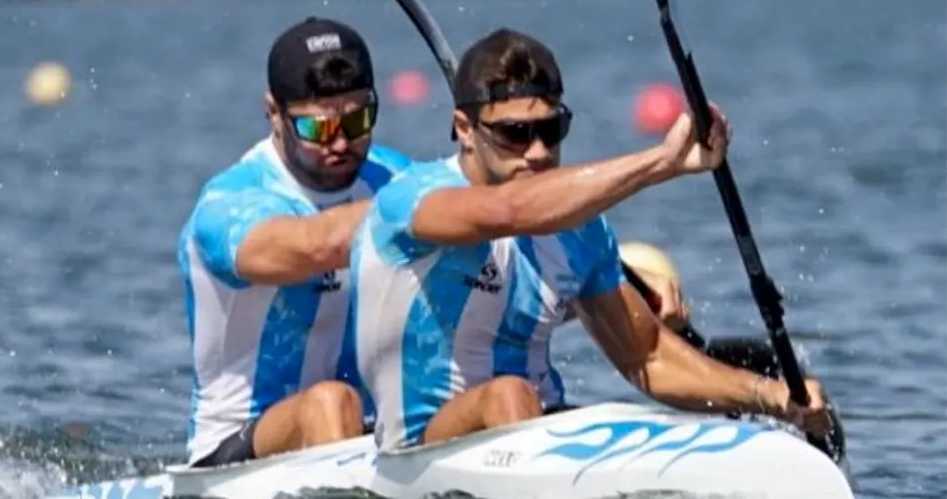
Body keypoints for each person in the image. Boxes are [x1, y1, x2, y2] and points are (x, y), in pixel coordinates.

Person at [350, 27, 832, 451]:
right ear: (464, 129)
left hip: (537, 429)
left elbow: (649, 357)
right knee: (508, 393)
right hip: (417, 453)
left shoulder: (579, 229)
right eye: (515, 134)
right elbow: (512, 212)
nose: (537, 152)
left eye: (550, 129)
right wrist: (662, 163)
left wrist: (771, 396)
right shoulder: (412, 201)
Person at [176, 17, 412, 468]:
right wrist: (430, 209)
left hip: (369, 435)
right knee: (329, 403)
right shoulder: (231, 203)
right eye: (318, 129)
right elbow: (312, 247)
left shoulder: (393, 177)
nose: (341, 142)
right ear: (273, 113)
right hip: (232, 459)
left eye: (359, 119)